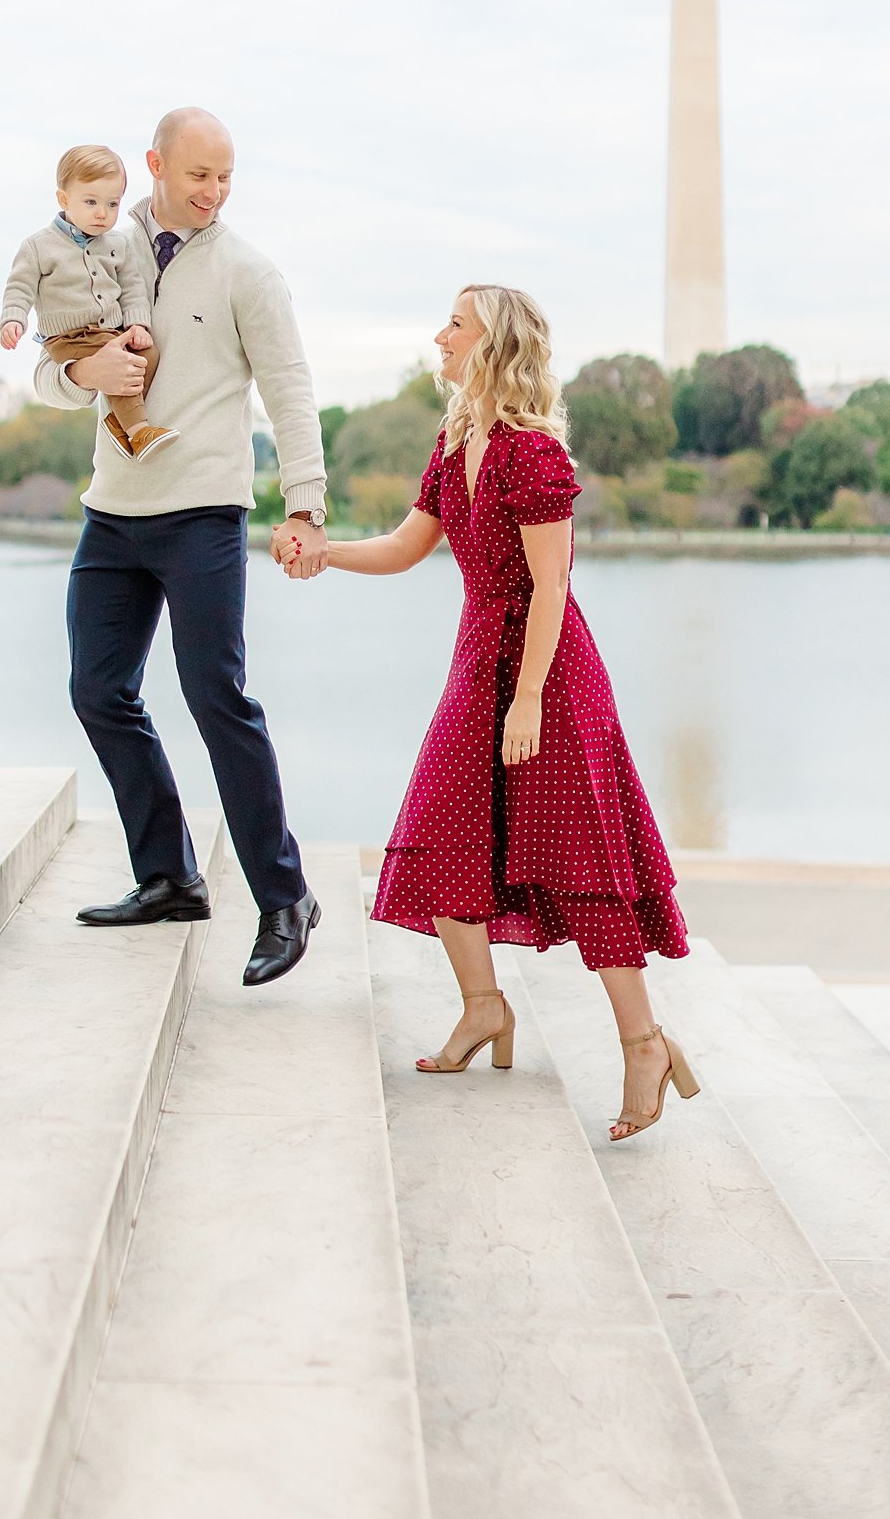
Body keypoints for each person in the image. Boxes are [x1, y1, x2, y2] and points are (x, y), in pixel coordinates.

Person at [280, 284, 699, 1139]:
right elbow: (405, 546)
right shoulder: (456, 441)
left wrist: (531, 697)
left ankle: (645, 1041)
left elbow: (552, 585)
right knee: (439, 832)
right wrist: (324, 553)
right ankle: (483, 1009)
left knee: (580, 864)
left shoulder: (532, 452)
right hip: (479, 664)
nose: (440, 335)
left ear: (492, 343)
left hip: (549, 677)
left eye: (456, 325)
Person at [30, 107, 329, 987]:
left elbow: (290, 390)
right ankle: (168, 876)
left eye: (226, 177)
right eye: (198, 175)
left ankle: (284, 897)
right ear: (155, 165)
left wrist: (304, 504)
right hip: (112, 512)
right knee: (98, 690)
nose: (213, 191)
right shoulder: (91, 254)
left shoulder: (249, 273)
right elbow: (49, 371)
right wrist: (83, 374)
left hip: (204, 510)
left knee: (215, 697)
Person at [0, 144, 177, 462]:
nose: (102, 213)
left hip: (109, 331)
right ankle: (138, 431)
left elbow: (132, 286)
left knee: (148, 353)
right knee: (118, 366)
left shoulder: (117, 244)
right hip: (69, 337)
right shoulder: (39, 247)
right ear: (64, 199)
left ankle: (119, 421)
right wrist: (13, 319)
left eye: (112, 204)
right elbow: (19, 287)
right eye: (91, 202)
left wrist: (137, 323)